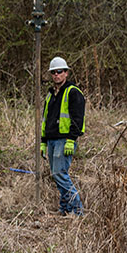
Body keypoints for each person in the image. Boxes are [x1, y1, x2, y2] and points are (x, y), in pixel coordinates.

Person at [40, 56, 85, 215]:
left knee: (60, 174)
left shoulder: (73, 93)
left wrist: (71, 140)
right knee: (56, 175)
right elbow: (45, 120)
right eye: (53, 72)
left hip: (64, 139)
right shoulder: (50, 94)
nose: (56, 75)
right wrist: (43, 142)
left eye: (60, 71)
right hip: (51, 140)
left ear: (66, 73)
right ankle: (65, 209)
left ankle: (77, 209)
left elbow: (78, 119)